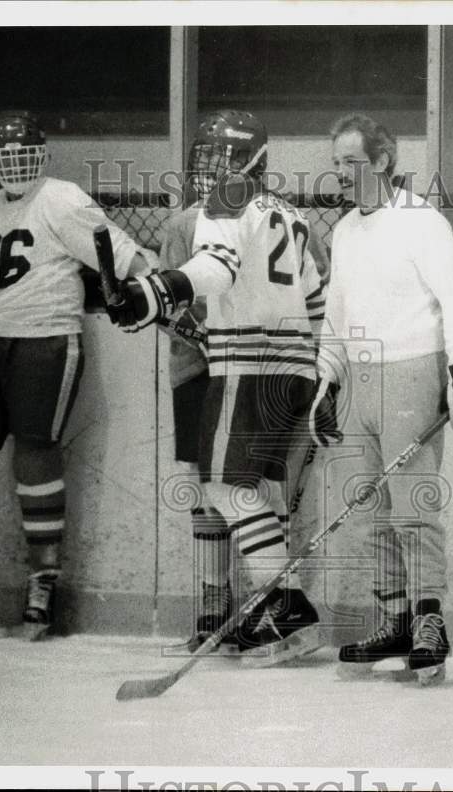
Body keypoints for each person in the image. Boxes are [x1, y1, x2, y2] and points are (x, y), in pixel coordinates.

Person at [0, 110, 155, 640]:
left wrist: (157, 286)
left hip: (46, 340)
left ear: (42, 154)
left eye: (23, 154)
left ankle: (42, 587)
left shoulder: (63, 197)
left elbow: (119, 250)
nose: (14, 165)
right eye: (4, 156)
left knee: (35, 456)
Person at [108, 109, 328, 666]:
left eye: (225, 157)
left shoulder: (223, 203)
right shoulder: (291, 213)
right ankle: (280, 612)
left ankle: (285, 603)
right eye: (207, 157)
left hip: (246, 363)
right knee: (253, 491)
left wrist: (155, 291)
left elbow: (218, 267)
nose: (215, 168)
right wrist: (322, 368)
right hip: (294, 367)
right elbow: (318, 299)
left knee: (224, 489)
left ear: (251, 161)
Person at [314, 113, 453, 686]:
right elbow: (335, 318)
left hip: (412, 372)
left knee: (414, 510)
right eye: (335, 162)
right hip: (358, 380)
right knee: (369, 511)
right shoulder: (343, 231)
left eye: (351, 162)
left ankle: (430, 623)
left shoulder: (421, 221)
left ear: (382, 161)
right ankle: (393, 622)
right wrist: (326, 381)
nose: (340, 173)